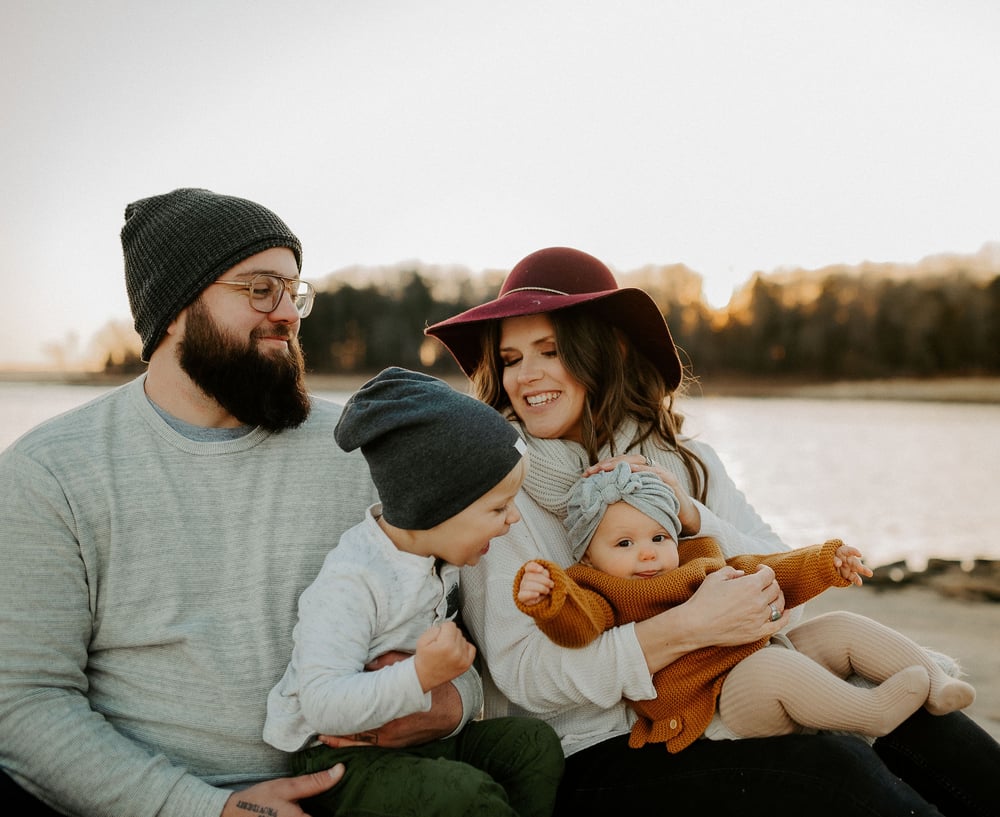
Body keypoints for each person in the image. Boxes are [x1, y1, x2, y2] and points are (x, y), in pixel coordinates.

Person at [424, 245, 1000, 817]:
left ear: (609, 351)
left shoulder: (686, 463)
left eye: (549, 350)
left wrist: (693, 515)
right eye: (511, 358)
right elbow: (525, 675)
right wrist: (685, 629)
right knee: (836, 770)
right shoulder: (499, 493)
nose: (527, 377)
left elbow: (789, 598)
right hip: (595, 752)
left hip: (724, 698)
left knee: (920, 717)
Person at [0, 189, 474, 817]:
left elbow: (458, 645)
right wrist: (209, 810)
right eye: (260, 289)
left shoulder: (363, 452)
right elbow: (26, 703)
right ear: (173, 310)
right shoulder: (50, 472)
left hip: (362, 788)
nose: (287, 314)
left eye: (294, 292)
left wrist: (447, 708)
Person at [263, 366, 564, 816]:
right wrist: (421, 675)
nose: (513, 519)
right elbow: (322, 704)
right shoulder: (353, 579)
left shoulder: (440, 560)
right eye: (499, 507)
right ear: (436, 506)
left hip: (420, 742)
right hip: (340, 760)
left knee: (532, 746)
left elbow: (462, 678)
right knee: (463, 795)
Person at [514, 463, 975, 752]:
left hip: (760, 652)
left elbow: (768, 571)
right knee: (772, 669)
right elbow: (578, 626)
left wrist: (823, 561)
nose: (648, 553)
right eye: (625, 543)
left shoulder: (700, 557)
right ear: (588, 555)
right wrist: (551, 600)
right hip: (714, 705)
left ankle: (936, 685)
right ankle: (871, 712)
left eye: (658, 537)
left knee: (842, 627)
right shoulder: (599, 589)